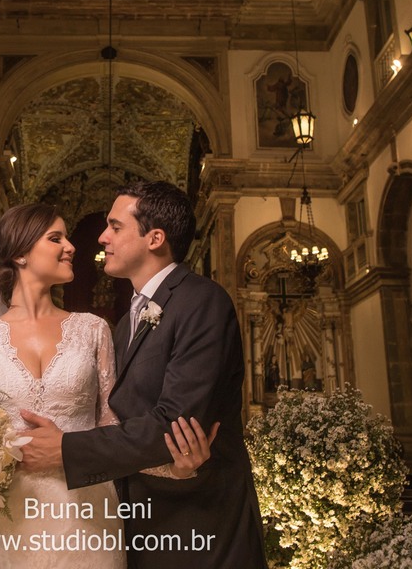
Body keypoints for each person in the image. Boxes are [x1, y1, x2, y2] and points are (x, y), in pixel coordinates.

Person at [0, 202, 212, 568]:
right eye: (56, 238)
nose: (71, 247)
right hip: (1, 521)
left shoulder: (92, 329)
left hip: (85, 514)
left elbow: (111, 425)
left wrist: (172, 468)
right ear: (20, 254)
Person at [20, 182, 268, 569]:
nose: (102, 237)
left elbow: (176, 424)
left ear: (155, 238)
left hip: (201, 525)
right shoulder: (126, 324)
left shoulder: (202, 301)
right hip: (140, 522)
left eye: (115, 226)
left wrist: (65, 449)